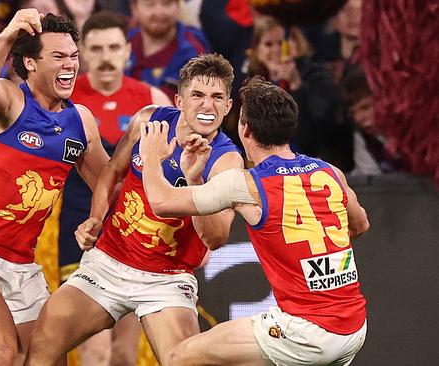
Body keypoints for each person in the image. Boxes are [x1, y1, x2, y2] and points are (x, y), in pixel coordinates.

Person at [25, 53, 244, 366]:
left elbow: (216, 238)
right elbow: (112, 171)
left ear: (227, 106)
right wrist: (96, 219)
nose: (207, 106)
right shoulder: (148, 121)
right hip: (108, 263)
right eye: (197, 95)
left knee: (186, 362)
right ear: (179, 100)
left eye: (217, 97)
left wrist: (194, 180)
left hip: (166, 279)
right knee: (42, 345)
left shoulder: (226, 161)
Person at [138, 76, 369, 366]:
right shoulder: (331, 173)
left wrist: (150, 156)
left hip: (305, 332)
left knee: (179, 357)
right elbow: (360, 226)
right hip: (354, 327)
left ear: (244, 130)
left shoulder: (246, 185)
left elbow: (161, 202)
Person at [0, 10, 108, 366]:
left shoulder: (80, 121)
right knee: (0, 352)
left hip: (22, 265)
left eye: (73, 56)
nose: (70, 65)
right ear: (29, 61)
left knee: (47, 358)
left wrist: (98, 217)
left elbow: (108, 184)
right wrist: (8, 35)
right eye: (58, 57)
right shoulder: (9, 101)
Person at [58, 10, 172, 366]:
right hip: (81, 230)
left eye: (113, 47)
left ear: (128, 51)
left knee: (125, 353)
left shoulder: (152, 101)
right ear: (83, 53)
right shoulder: (65, 100)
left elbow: (173, 169)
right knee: (95, 350)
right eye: (96, 49)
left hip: (134, 235)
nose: (105, 57)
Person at [244, 16, 352, 171]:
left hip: (314, 164)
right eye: (268, 44)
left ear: (296, 44)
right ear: (257, 50)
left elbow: (315, 134)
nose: (276, 50)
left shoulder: (318, 76)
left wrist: (296, 86)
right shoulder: (250, 81)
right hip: (265, 165)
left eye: (282, 43)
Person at [126, 0, 210, 98]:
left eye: (167, 3)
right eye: (150, 4)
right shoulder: (120, 43)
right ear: (134, 8)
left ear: (178, 6)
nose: (159, 12)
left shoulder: (194, 54)